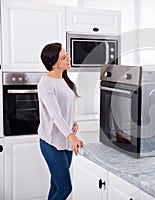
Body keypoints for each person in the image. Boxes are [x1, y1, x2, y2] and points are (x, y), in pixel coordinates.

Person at [38, 42, 83, 200]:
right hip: (51, 142)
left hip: (64, 141)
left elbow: (65, 106)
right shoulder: (45, 83)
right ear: (53, 63)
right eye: (64, 57)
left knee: (56, 186)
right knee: (65, 188)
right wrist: (71, 136)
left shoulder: (63, 79)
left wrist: (73, 123)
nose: (68, 58)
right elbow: (55, 114)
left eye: (67, 55)